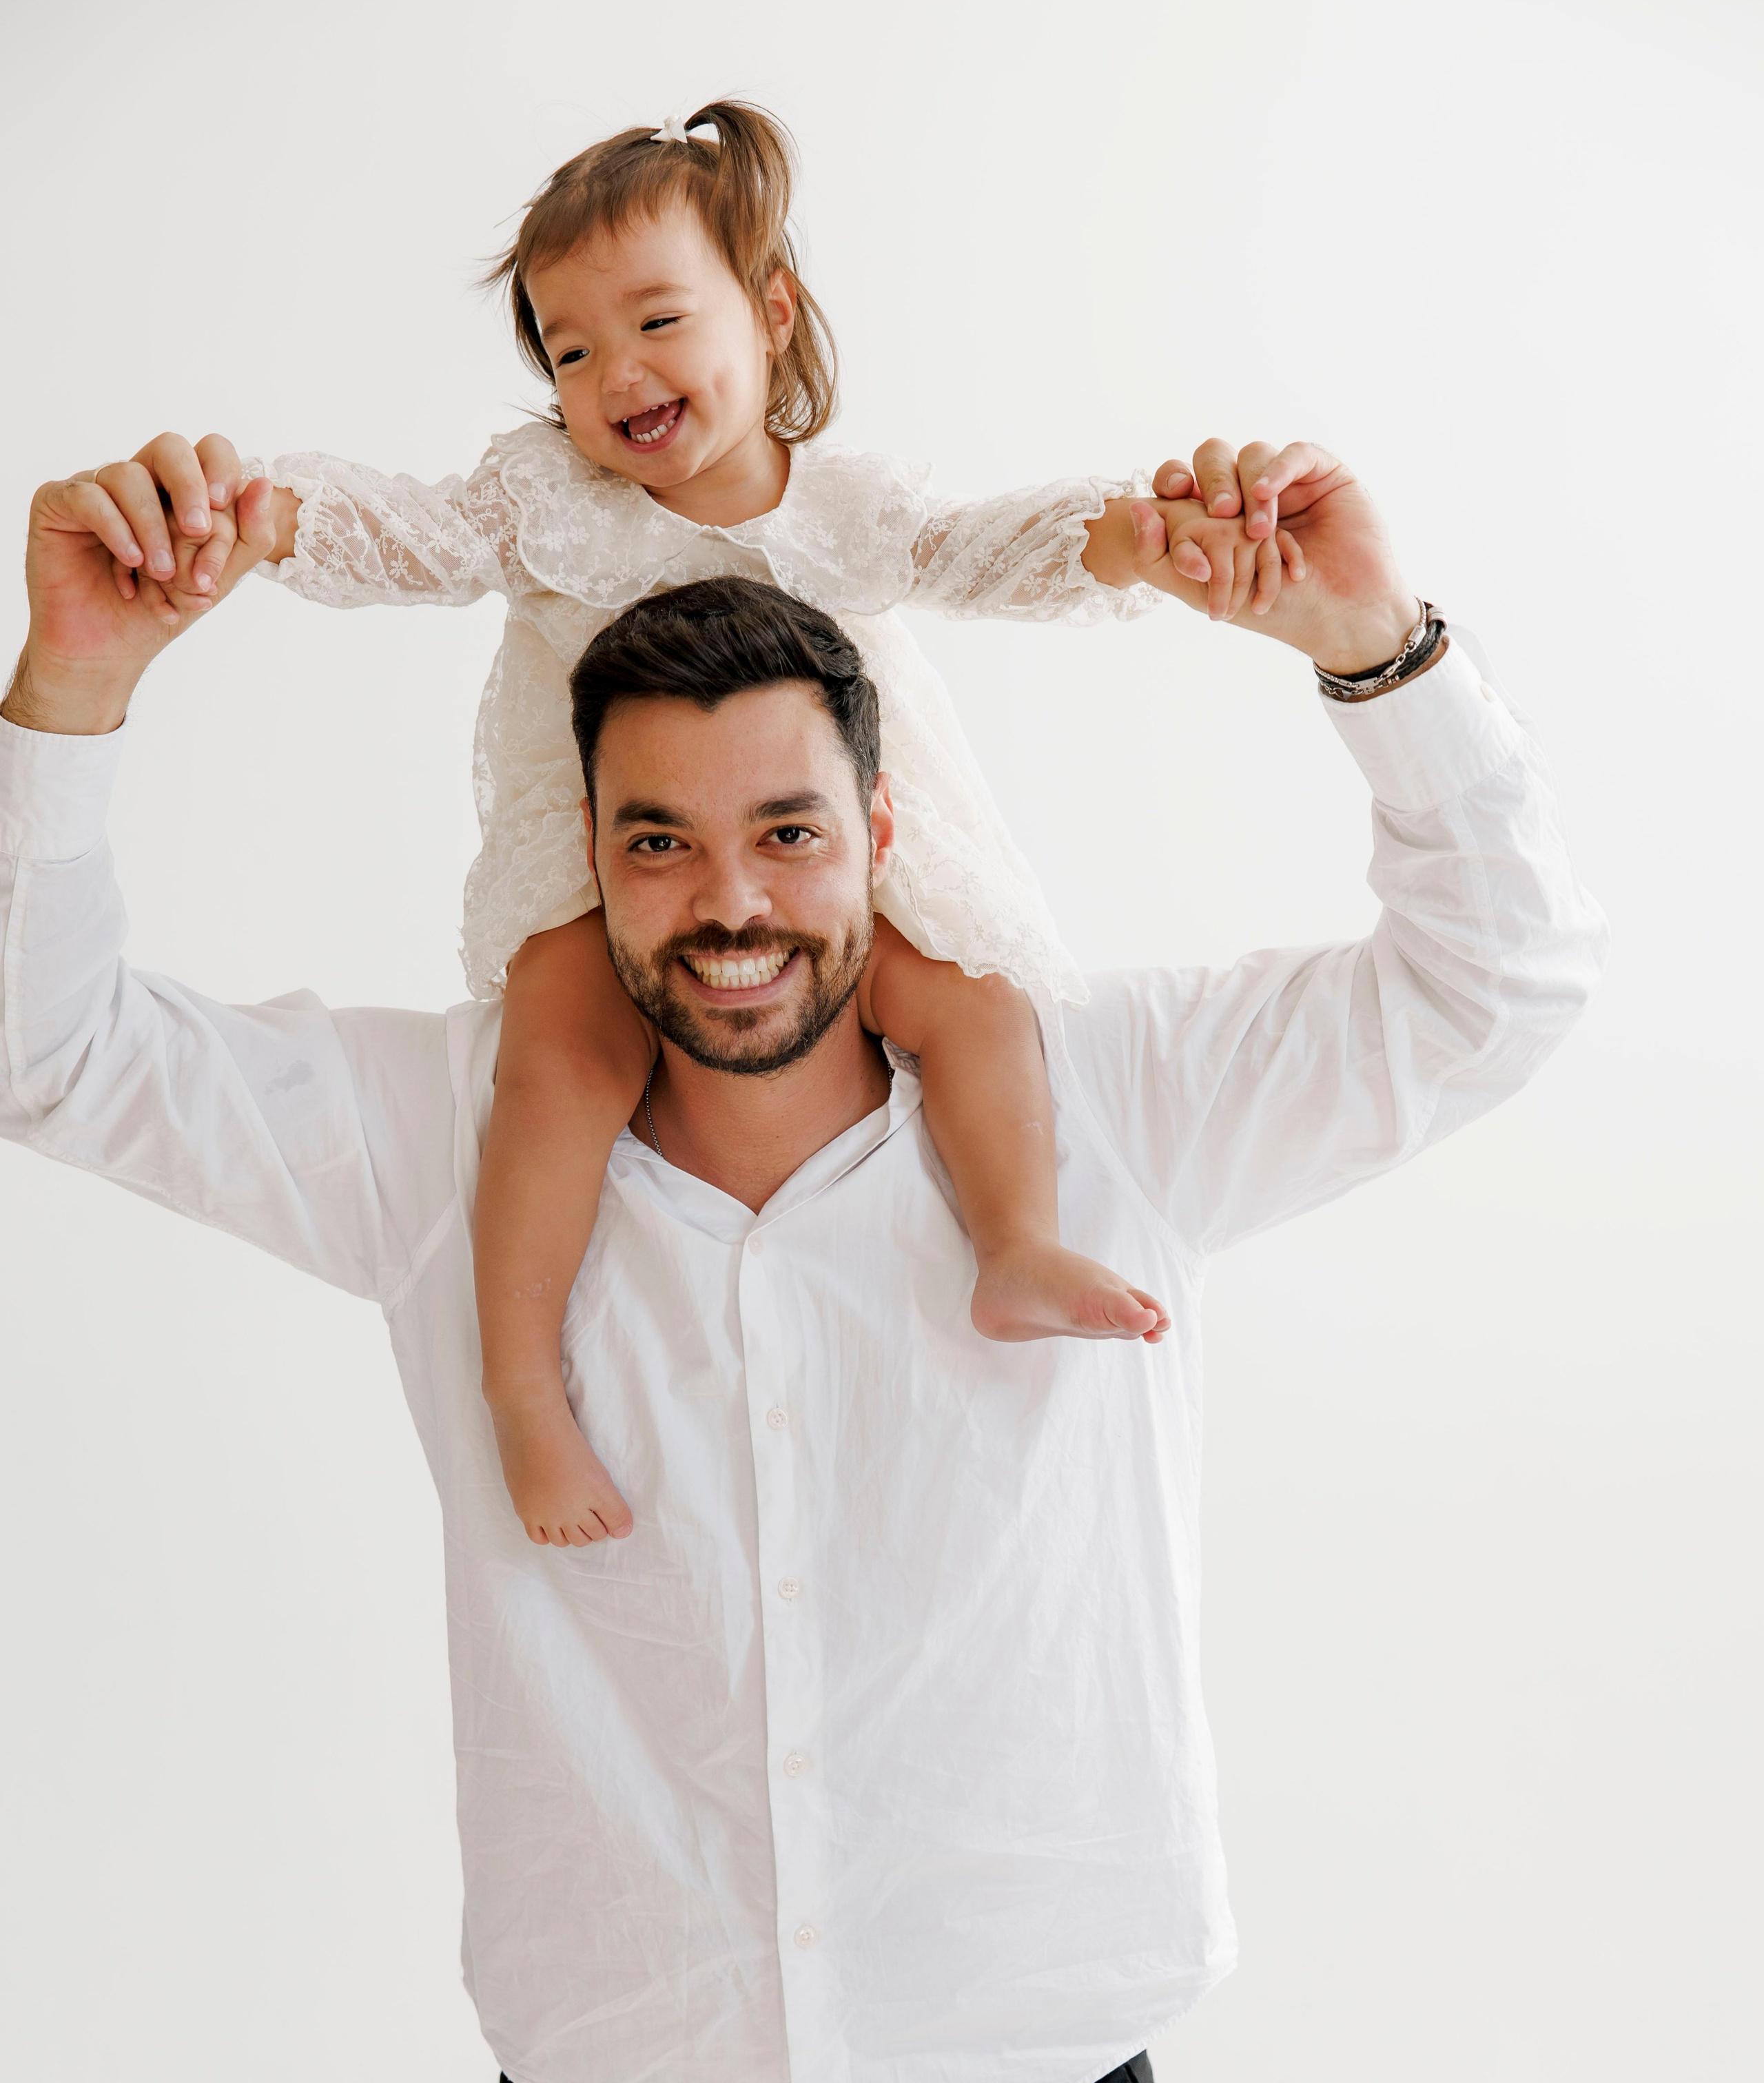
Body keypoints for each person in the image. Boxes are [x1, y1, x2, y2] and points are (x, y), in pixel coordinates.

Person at [0, 424, 1605, 2083]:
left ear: (881, 832)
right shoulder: (441, 1144)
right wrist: (73, 683)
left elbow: (1496, 989)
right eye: (656, 843)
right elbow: (47, 1051)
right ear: (582, 854)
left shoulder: (1108, 1104)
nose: (730, 903)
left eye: (785, 833)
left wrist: (1378, 661)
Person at [199, 99, 1300, 1547]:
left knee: (969, 1003)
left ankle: (1015, 1241)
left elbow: (983, 548)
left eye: (655, 322)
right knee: (556, 1066)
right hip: (613, 860)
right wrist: (271, 516)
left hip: (812, 860)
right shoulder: (546, 499)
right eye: (571, 347)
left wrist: (1127, 540)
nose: (615, 376)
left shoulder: (845, 506)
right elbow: (417, 534)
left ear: (770, 312)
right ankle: (523, 1388)